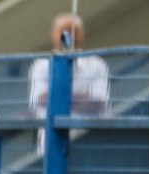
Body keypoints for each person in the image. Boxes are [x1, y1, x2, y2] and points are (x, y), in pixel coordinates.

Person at [28, 13, 109, 153]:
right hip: (51, 140)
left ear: (82, 35)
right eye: (63, 31)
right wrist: (82, 98)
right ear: (53, 34)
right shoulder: (42, 65)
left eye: (74, 31)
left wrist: (58, 97)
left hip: (89, 139)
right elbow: (39, 99)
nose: (69, 35)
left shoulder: (97, 64)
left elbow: (99, 104)